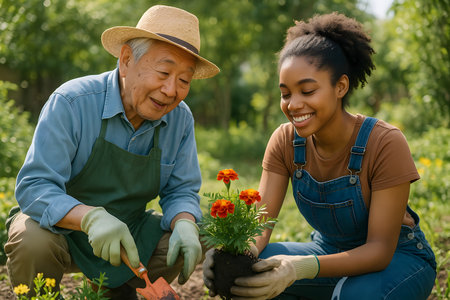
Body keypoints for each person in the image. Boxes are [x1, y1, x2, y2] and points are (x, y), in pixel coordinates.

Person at [203, 12, 436, 300]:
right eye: (286, 94)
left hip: (397, 261)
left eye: (308, 90)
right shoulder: (285, 141)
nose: (294, 105)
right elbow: (259, 226)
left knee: (356, 296)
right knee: (247, 274)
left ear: (341, 86)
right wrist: (232, 257)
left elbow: (379, 251)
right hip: (328, 252)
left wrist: (300, 268)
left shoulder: (384, 142)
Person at [5, 4, 219, 299]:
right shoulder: (72, 102)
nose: (171, 90)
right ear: (127, 60)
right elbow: (34, 186)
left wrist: (184, 222)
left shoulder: (179, 118)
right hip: (62, 233)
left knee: (192, 231)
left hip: (128, 236)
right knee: (31, 240)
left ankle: (116, 290)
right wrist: (90, 218)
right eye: (163, 72)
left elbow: (181, 190)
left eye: (184, 80)